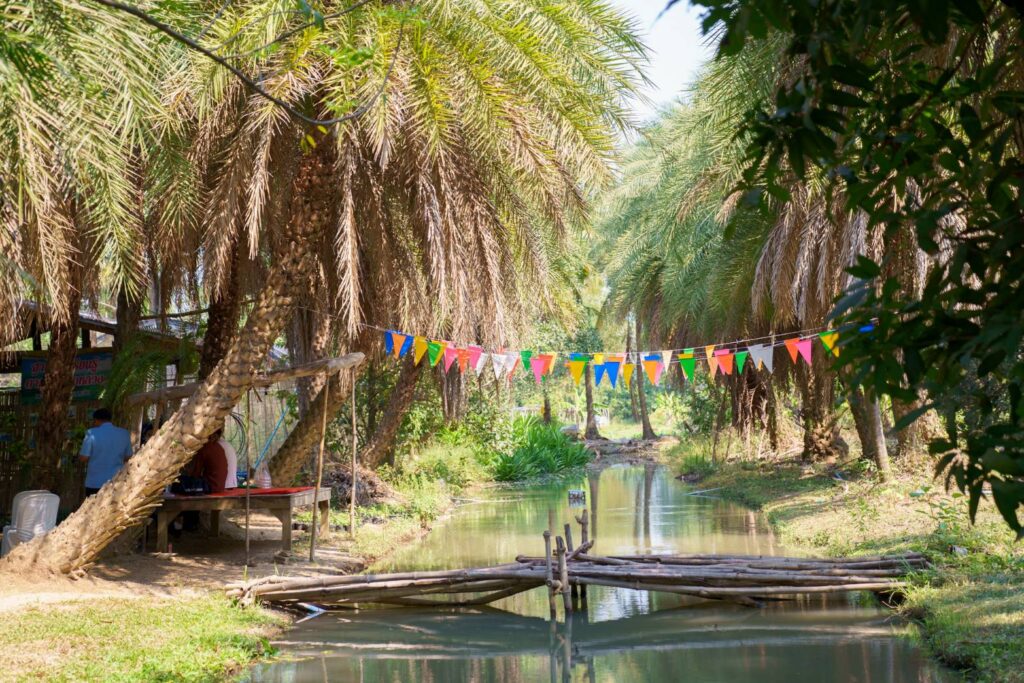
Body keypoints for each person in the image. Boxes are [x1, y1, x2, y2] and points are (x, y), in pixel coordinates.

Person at [79, 408, 133, 496]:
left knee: (93, 505)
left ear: (96, 420)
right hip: (116, 480)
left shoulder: (91, 433)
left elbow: (84, 457)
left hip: (95, 482)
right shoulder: (124, 433)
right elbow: (128, 456)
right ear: (110, 419)